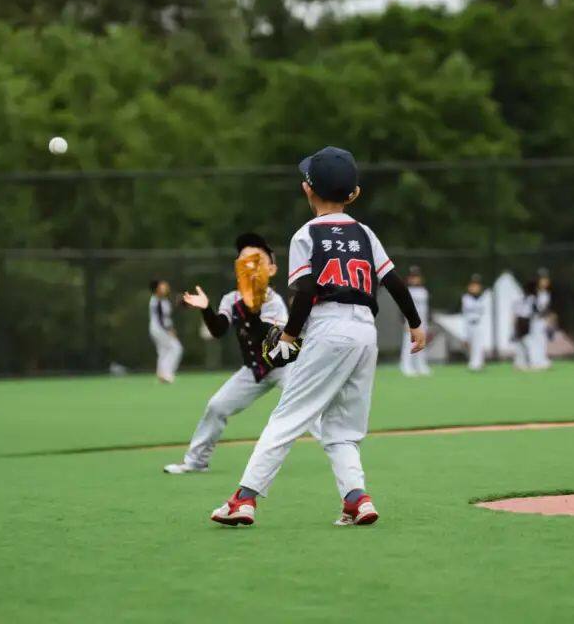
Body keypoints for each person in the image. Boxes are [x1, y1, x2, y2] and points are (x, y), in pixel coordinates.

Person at [209, 147, 426, 528]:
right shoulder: (364, 232)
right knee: (343, 429)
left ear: (307, 189)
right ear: (354, 194)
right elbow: (391, 280)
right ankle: (356, 499)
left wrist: (290, 335)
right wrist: (415, 323)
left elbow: (306, 291)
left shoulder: (305, 235)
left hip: (328, 328)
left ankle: (244, 500)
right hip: (364, 333)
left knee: (287, 417)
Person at [164, 233, 313, 474]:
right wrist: (206, 310)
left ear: (271, 269)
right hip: (254, 370)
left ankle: (340, 449)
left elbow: (272, 339)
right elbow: (218, 330)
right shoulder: (232, 299)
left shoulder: (273, 301)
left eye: (257, 259)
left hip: (283, 369)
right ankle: (196, 462)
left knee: (309, 408)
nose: (250, 263)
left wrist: (252, 307)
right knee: (216, 406)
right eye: (244, 259)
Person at [148, 279, 183, 384]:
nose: (165, 287)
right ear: (157, 289)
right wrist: (169, 329)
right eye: (162, 286)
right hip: (160, 329)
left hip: (157, 329)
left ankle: (161, 374)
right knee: (176, 348)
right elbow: (161, 319)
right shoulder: (157, 301)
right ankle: (167, 374)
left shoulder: (162, 300)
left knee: (163, 351)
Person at [399, 265, 432, 376]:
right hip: (410, 322)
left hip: (423, 322)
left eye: (416, 277)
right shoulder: (405, 290)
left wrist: (428, 321)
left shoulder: (424, 290)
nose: (414, 279)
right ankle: (406, 366)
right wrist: (404, 321)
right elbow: (402, 307)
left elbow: (427, 308)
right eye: (412, 277)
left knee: (421, 344)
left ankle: (420, 365)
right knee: (408, 345)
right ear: (408, 278)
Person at [461, 274, 487, 371]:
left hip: (478, 323)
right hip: (468, 323)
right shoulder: (466, 298)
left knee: (478, 344)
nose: (475, 287)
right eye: (473, 285)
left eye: (477, 285)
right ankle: (473, 362)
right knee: (469, 343)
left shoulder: (483, 297)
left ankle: (478, 363)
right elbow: (466, 312)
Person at [529, 268, 553, 370]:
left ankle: (541, 360)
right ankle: (535, 362)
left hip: (542, 320)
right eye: (542, 279)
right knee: (535, 340)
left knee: (542, 340)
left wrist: (548, 318)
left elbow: (546, 308)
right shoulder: (533, 293)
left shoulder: (546, 293)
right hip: (534, 320)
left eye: (546, 279)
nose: (545, 281)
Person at [512, 279, 537, 371]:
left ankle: (527, 362)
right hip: (521, 321)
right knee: (520, 343)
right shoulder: (519, 298)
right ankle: (520, 363)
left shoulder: (531, 299)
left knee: (526, 342)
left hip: (526, 321)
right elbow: (515, 313)